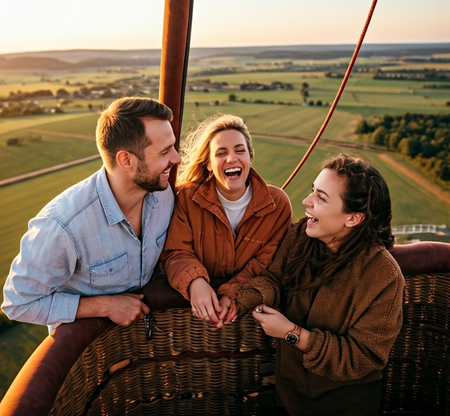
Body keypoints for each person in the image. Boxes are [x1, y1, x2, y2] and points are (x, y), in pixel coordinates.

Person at [235, 153, 405, 416]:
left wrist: (292, 333)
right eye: (313, 190)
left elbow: (362, 358)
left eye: (321, 197)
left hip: (346, 407)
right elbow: (273, 279)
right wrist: (240, 302)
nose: (306, 201)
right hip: (288, 398)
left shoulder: (383, 275)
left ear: (353, 218)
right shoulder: (300, 235)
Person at [1, 97, 181, 330]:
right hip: (92, 356)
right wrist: (104, 306)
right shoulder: (62, 226)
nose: (176, 158)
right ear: (126, 160)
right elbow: (18, 303)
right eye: (165, 151)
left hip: (145, 344)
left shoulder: (163, 194)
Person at [160, 114, 292, 328]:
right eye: (221, 153)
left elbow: (266, 263)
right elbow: (175, 252)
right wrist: (195, 281)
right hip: (192, 319)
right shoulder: (186, 198)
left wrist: (233, 293)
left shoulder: (276, 205)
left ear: (250, 156)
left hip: (246, 320)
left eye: (240, 150)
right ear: (209, 164)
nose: (232, 159)